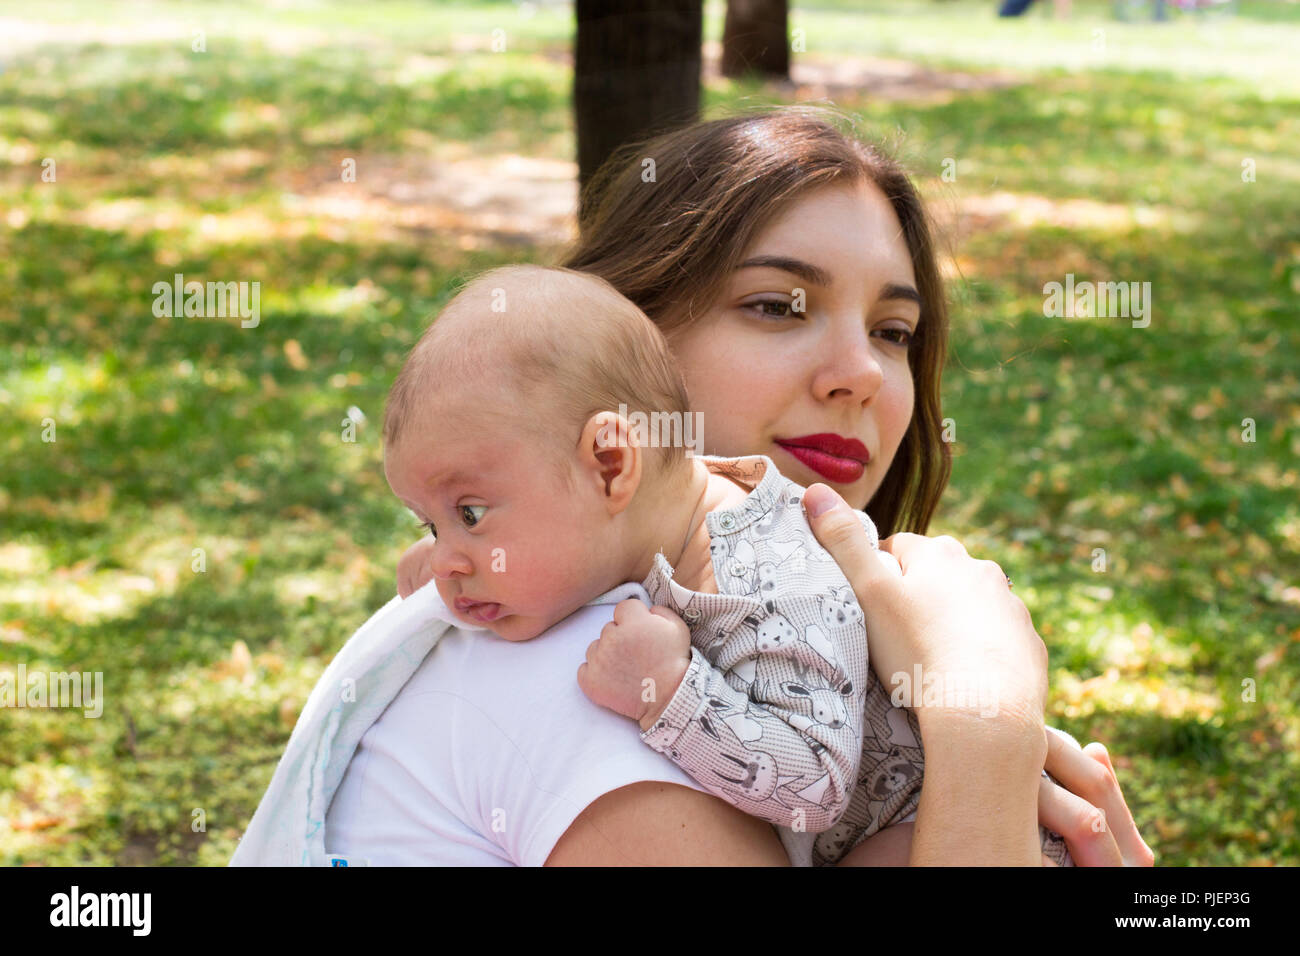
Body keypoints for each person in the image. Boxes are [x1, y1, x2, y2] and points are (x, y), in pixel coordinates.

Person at [322, 106, 1154, 866]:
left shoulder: (717, 582)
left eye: (894, 331)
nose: (860, 373)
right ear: (624, 331)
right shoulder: (571, 682)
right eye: (778, 307)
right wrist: (986, 727)